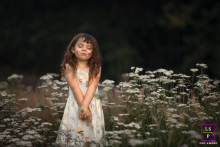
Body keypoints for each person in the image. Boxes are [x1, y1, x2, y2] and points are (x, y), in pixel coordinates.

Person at [55, 33, 105, 147]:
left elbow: (92, 86)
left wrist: (86, 107)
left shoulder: (96, 67)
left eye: (88, 48)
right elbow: (74, 87)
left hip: (92, 104)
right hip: (75, 105)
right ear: (72, 49)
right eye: (80, 46)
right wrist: (82, 108)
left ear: (93, 52)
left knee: (92, 135)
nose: (84, 49)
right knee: (74, 133)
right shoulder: (69, 66)